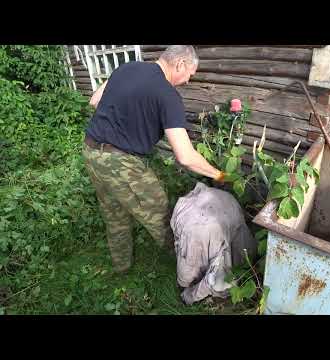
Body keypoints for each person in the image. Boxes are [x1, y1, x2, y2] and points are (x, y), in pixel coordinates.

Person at [82, 45, 225, 274]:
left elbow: (95, 100)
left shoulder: (126, 68)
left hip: (91, 151)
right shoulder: (168, 96)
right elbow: (186, 157)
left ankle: (122, 268)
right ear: (179, 64)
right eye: (190, 74)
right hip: (120, 162)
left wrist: (126, 119)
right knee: (160, 214)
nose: (188, 80)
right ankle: (190, 270)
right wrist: (219, 174)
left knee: (114, 213)